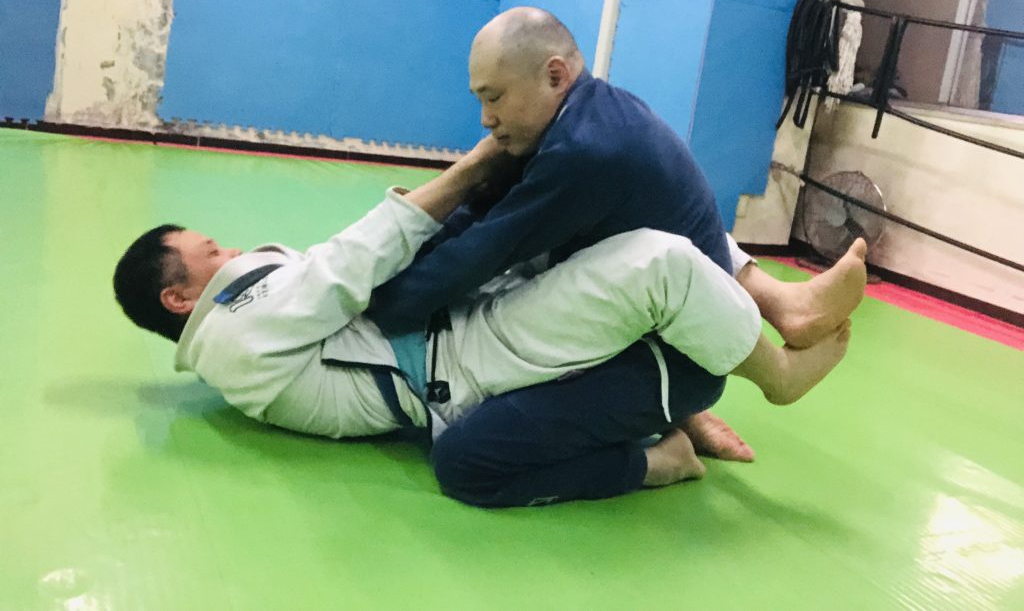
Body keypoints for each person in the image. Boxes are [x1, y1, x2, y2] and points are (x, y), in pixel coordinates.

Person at [113, 138, 852, 506]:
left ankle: (776, 300)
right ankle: (776, 374)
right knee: (656, 263)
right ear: (179, 298)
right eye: (211, 251)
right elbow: (346, 266)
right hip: (461, 362)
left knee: (591, 200)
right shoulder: (235, 334)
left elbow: (343, 282)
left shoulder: (243, 320)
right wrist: (473, 167)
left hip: (453, 315)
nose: (230, 250)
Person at [366, 7, 867, 505]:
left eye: (494, 98)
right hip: (663, 319)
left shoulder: (582, 152)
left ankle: (668, 453)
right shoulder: (580, 118)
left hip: (676, 355)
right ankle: (740, 349)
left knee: (466, 458)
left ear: (555, 76)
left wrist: (379, 304)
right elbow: (476, 220)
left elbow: (473, 257)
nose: (485, 118)